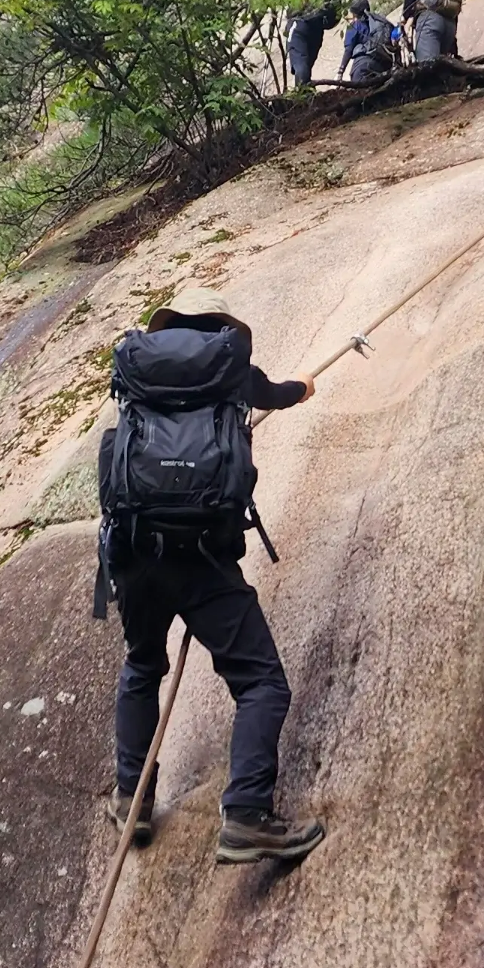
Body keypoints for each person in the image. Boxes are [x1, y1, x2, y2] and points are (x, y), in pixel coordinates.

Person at [96, 306, 324, 866]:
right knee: (261, 682)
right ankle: (246, 815)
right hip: (202, 559)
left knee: (142, 665)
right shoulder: (228, 364)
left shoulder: (136, 369)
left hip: (136, 554)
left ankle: (131, 799)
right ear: (214, 325)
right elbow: (275, 393)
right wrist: (303, 387)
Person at [338, 0, 399, 85]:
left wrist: (340, 72)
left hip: (363, 68)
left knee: (360, 91)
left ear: (353, 13)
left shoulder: (354, 26)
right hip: (385, 65)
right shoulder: (380, 20)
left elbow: (348, 50)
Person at [286, 0, 339, 90]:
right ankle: (304, 91)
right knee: (305, 66)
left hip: (299, 23)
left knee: (301, 64)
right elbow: (335, 16)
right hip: (317, 28)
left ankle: (303, 94)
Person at [414, 0, 464, 66]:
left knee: (427, 68)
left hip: (430, 19)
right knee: (442, 67)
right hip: (450, 23)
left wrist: (406, 18)